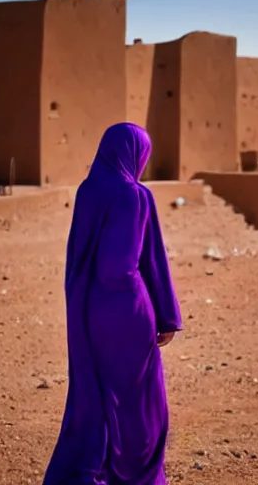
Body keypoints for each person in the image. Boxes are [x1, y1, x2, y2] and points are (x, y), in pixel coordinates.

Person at [43, 123, 182, 485]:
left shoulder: (87, 190)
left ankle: (92, 469)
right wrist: (158, 313)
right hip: (125, 313)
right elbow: (118, 267)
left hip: (88, 311)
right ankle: (136, 476)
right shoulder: (133, 195)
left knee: (96, 394)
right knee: (142, 405)